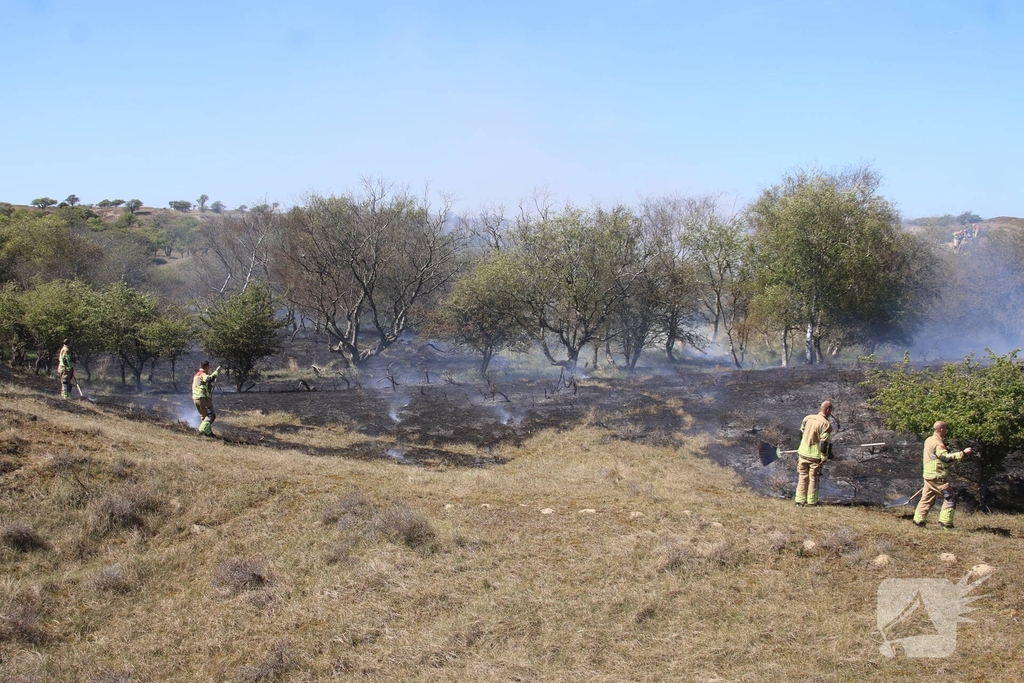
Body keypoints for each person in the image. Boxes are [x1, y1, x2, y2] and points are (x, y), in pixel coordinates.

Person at [913, 421, 973, 529]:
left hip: (928, 475)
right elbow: (945, 458)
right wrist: (963, 453)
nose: (946, 431)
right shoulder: (938, 443)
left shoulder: (929, 440)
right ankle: (946, 523)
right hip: (937, 477)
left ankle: (918, 521)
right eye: (945, 429)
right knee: (949, 498)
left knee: (927, 498)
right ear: (941, 429)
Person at [795, 400, 833, 506]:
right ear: (828, 410)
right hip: (814, 456)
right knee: (813, 478)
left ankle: (800, 500)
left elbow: (800, 433)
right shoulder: (826, 424)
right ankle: (811, 501)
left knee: (802, 475)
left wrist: (802, 446)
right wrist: (824, 457)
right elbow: (824, 443)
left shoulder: (807, 418)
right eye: (830, 411)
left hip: (803, 452)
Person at [192, 360, 221, 437]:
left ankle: (208, 433)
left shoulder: (196, 375)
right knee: (211, 415)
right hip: (202, 397)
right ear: (206, 367)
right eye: (208, 367)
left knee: (204, 417)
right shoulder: (202, 374)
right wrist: (216, 372)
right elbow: (210, 378)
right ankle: (201, 430)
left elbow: (203, 385)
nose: (209, 368)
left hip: (195, 398)